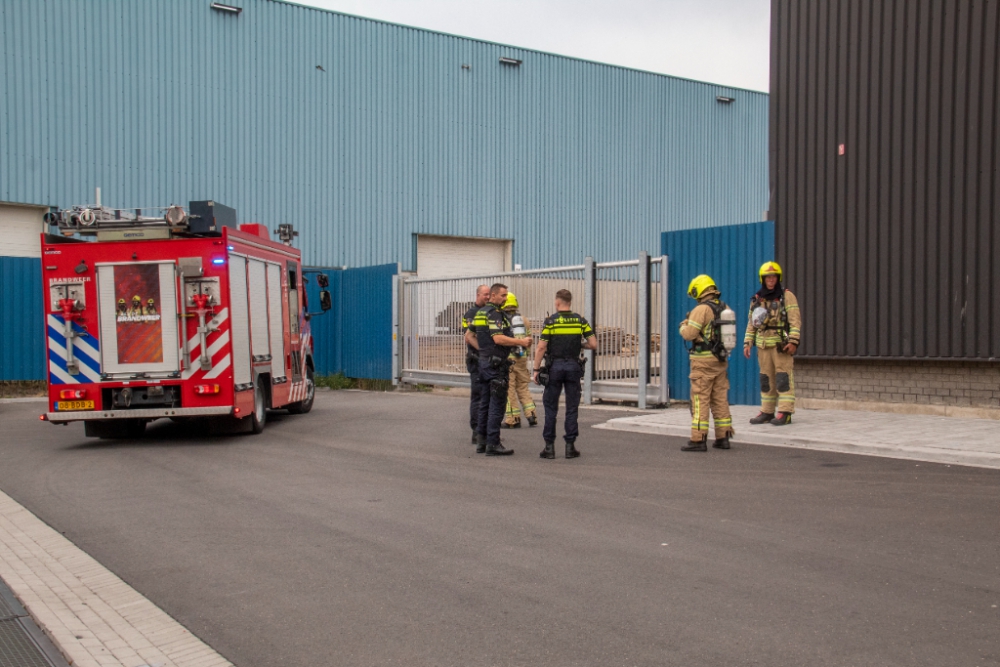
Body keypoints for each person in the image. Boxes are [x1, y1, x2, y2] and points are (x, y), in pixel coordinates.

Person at [465, 283, 531, 456]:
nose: (504, 298)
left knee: (485, 403)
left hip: (484, 364)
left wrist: (483, 352)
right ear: (493, 296)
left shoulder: (480, 313)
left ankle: (482, 441)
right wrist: (521, 342)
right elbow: (499, 338)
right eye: (502, 295)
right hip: (496, 366)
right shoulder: (495, 314)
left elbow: (469, 336)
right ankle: (493, 443)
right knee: (497, 404)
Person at [531, 289, 597, 459]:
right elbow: (593, 344)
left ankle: (549, 448)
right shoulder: (580, 321)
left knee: (551, 407)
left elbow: (541, 347)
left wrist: (536, 370)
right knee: (572, 407)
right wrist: (579, 345)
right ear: (570, 302)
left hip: (555, 367)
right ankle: (570, 447)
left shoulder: (551, 321)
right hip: (573, 367)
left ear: (557, 302)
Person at [678, 275, 734, 452]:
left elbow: (689, 334)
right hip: (720, 360)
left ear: (698, 290)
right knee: (719, 399)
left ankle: (698, 439)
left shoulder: (701, 309)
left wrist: (682, 326)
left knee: (700, 399)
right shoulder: (724, 307)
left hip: (702, 362)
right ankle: (723, 437)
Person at [744, 261, 801, 426]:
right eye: (767, 277)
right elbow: (751, 323)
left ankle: (785, 412)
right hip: (762, 346)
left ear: (778, 278)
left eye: (773, 277)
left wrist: (793, 341)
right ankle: (767, 411)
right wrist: (747, 343)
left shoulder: (786, 296)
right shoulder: (756, 299)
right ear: (762, 279)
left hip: (780, 346)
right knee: (766, 380)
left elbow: (795, 320)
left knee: (783, 379)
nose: (770, 280)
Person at [501, 292, 538, 429]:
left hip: (508, 359)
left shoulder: (502, 320)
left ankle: (513, 419)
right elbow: (529, 340)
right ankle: (531, 414)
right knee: (523, 387)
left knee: (508, 389)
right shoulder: (524, 320)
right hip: (522, 358)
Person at [462, 285, 490, 445]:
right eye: (485, 294)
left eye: (488, 295)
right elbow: (470, 337)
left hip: (484, 360)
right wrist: (485, 350)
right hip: (477, 359)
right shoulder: (471, 314)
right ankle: (476, 431)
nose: (487, 297)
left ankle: (484, 431)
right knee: (478, 396)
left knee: (486, 396)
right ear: (478, 294)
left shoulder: (487, 313)